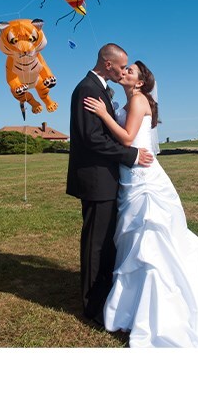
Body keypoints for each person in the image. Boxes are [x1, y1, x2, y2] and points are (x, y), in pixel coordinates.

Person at [83, 60, 198, 347]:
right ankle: (132, 301)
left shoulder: (137, 101)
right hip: (131, 175)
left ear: (139, 82)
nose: (123, 72)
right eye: (123, 69)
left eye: (130, 71)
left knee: (150, 238)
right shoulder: (130, 102)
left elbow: (126, 138)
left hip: (144, 179)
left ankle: (153, 304)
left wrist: (102, 113)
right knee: (135, 238)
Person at [66, 43, 153, 325]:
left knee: (105, 240)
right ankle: (91, 305)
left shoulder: (100, 89)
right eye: (120, 66)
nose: (122, 71)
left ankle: (104, 291)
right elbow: (91, 138)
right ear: (107, 64)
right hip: (95, 179)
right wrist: (131, 155)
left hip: (108, 178)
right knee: (95, 242)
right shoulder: (87, 89)